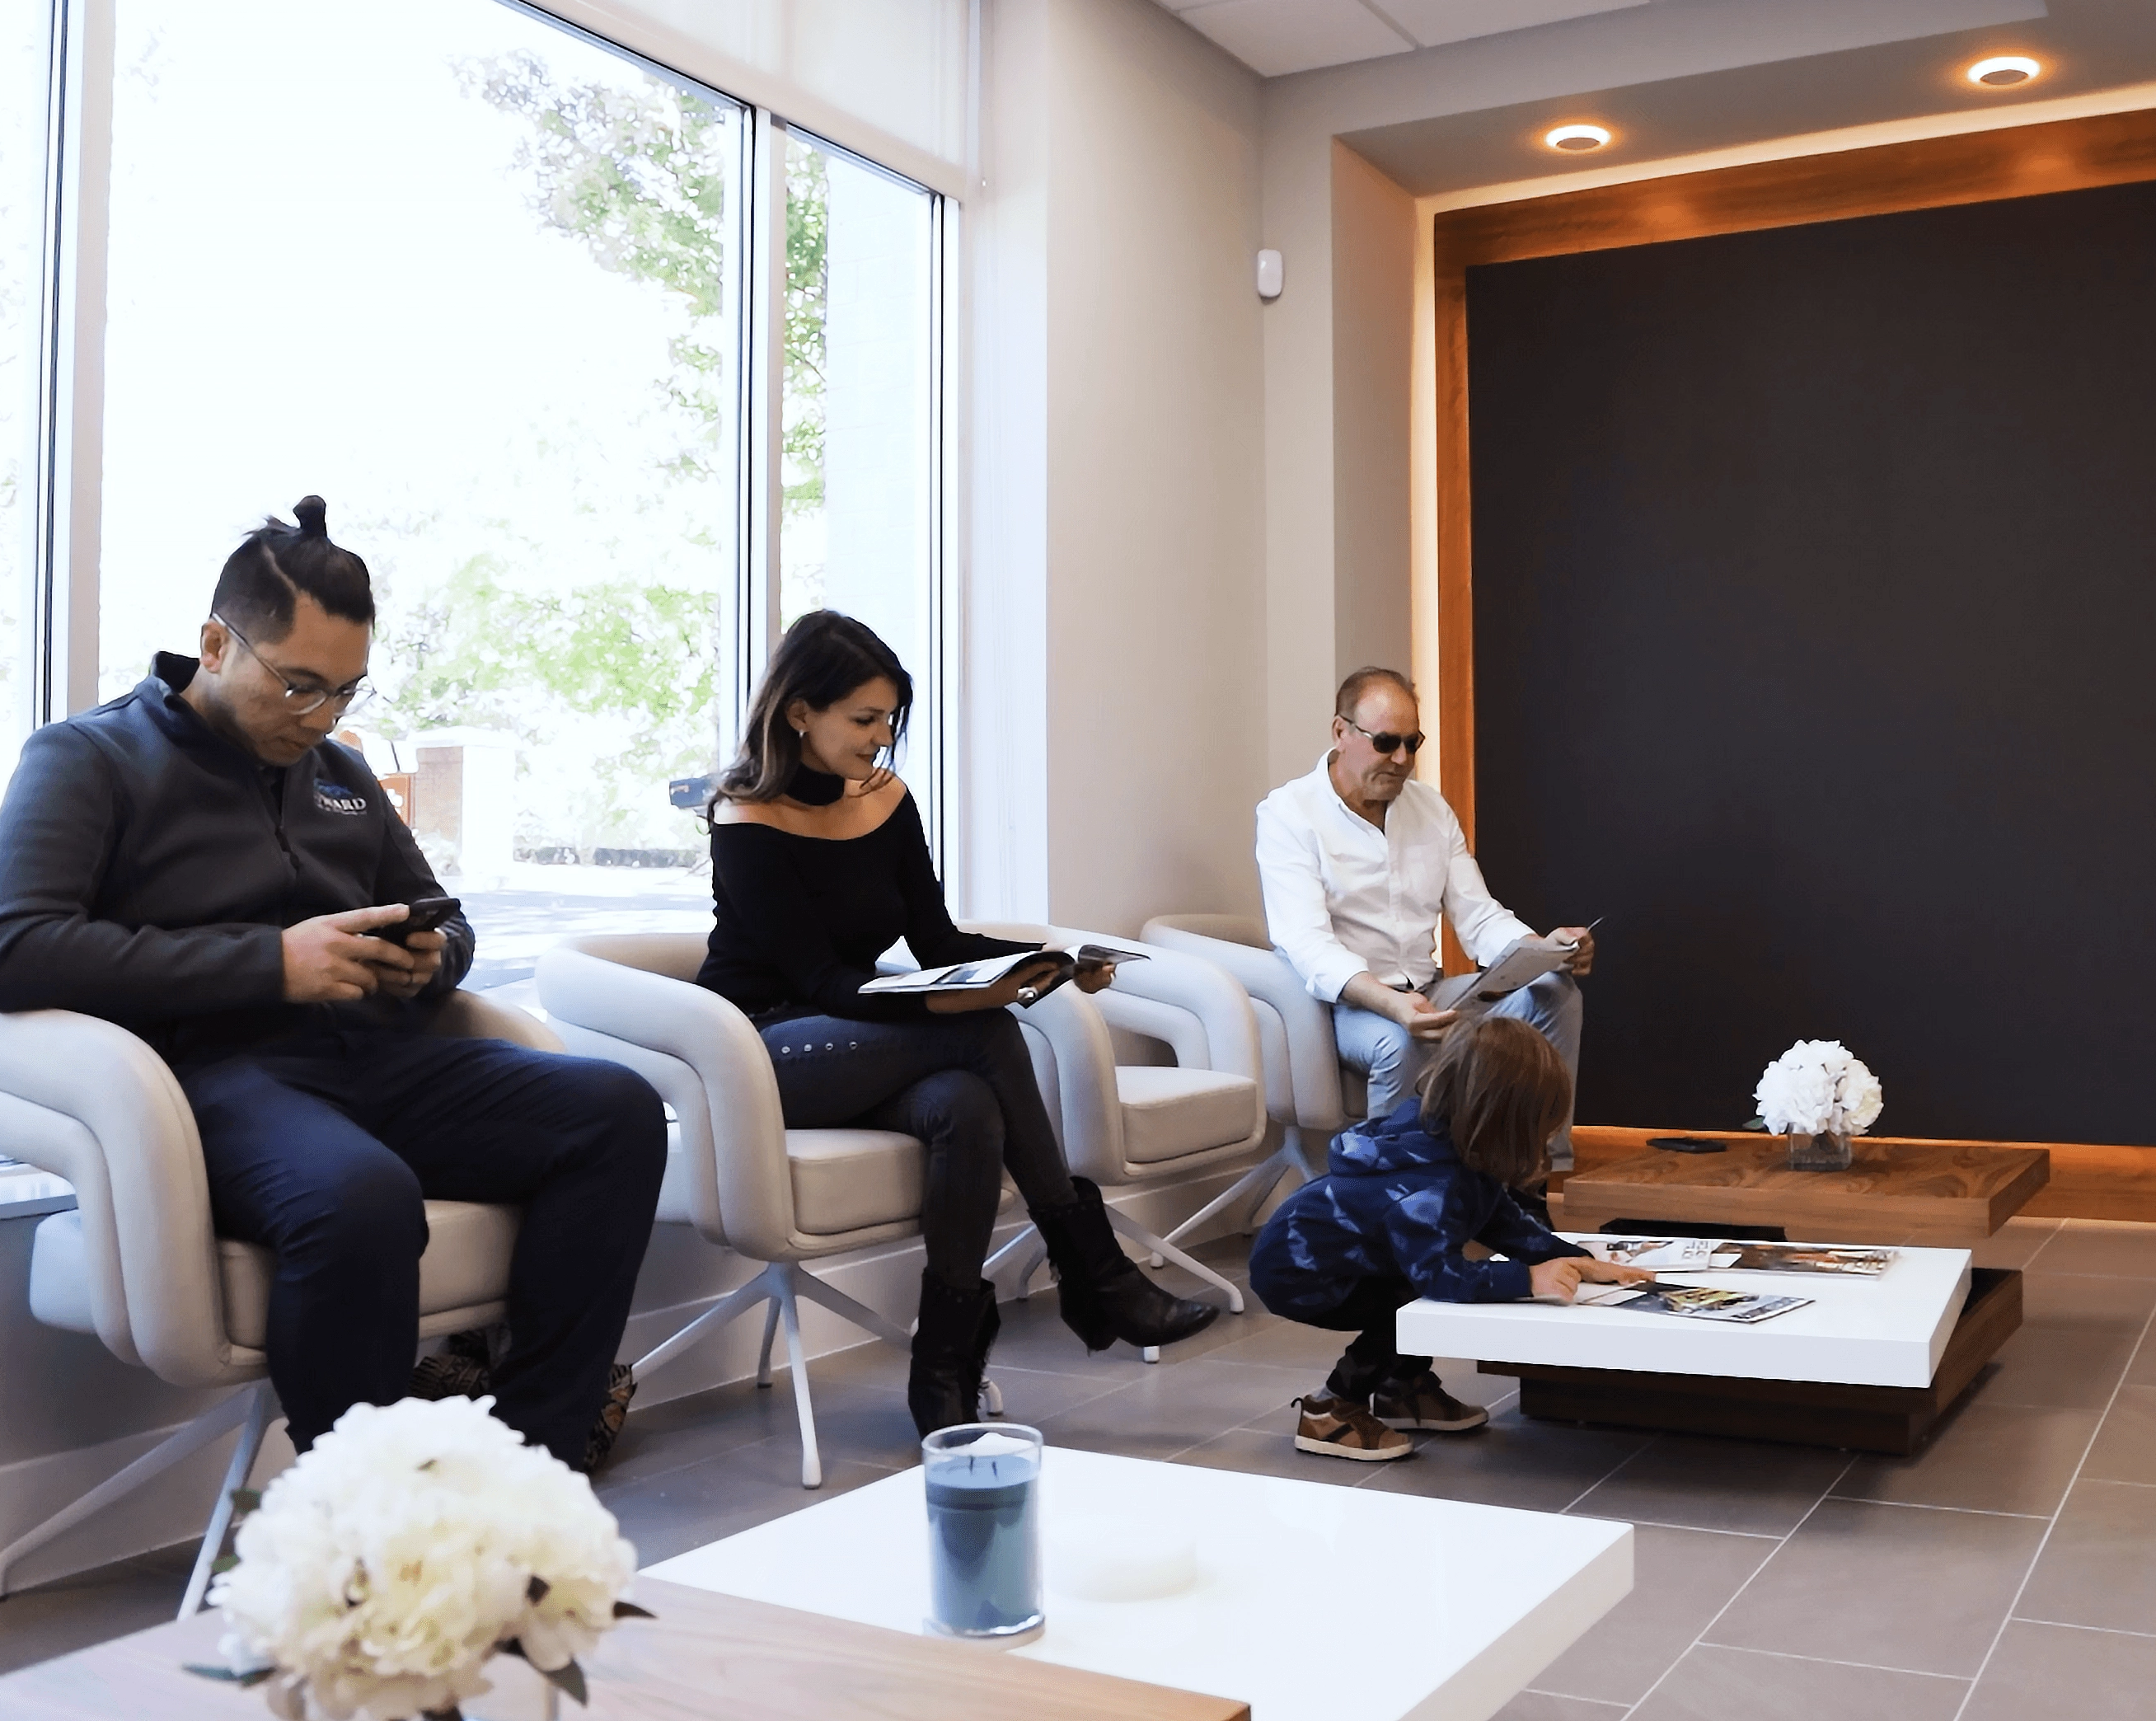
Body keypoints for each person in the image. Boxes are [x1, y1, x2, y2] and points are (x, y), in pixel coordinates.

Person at [0, 497, 668, 1468]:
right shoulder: (91, 759)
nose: (321, 716)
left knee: (616, 1109)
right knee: (359, 1196)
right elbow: (6, 951)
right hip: (208, 1079)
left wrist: (430, 960)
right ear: (216, 643)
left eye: (344, 691)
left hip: (378, 1059)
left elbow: (445, 916)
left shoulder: (339, 771)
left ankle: (534, 1458)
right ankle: (359, 1503)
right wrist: (272, 963)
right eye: (299, 685)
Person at [696, 610, 1218, 1435]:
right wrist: (954, 1002)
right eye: (863, 720)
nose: (880, 739)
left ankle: (942, 1373)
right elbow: (822, 980)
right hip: (763, 1052)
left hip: (861, 1040)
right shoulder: (745, 815)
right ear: (801, 712)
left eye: (889, 721)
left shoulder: (884, 800)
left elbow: (937, 940)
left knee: (967, 1106)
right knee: (981, 1033)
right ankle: (1096, 1268)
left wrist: (1048, 959)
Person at [1245, 1018, 1651, 1460]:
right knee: (1407, 1304)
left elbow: (1503, 1222)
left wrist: (1574, 1257)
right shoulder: (1425, 1194)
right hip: (1299, 1273)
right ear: (1503, 1124)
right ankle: (1331, 1407)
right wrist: (1528, 1280)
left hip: (1348, 1256)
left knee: (1410, 1290)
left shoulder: (1456, 1145)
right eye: (1539, 1129)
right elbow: (1444, 1279)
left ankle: (1402, 1388)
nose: (1546, 1139)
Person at [1255, 666, 1596, 1132]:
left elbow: (1479, 916)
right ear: (1341, 731)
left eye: (1412, 744)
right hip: (1346, 1008)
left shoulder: (1431, 809)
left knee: (1554, 993)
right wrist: (1391, 1004)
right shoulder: (1288, 814)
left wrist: (1542, 951)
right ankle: (1391, 1189)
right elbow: (1307, 943)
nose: (1401, 759)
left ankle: (1538, 1170)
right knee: (1404, 1040)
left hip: (1428, 990)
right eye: (1385, 743)